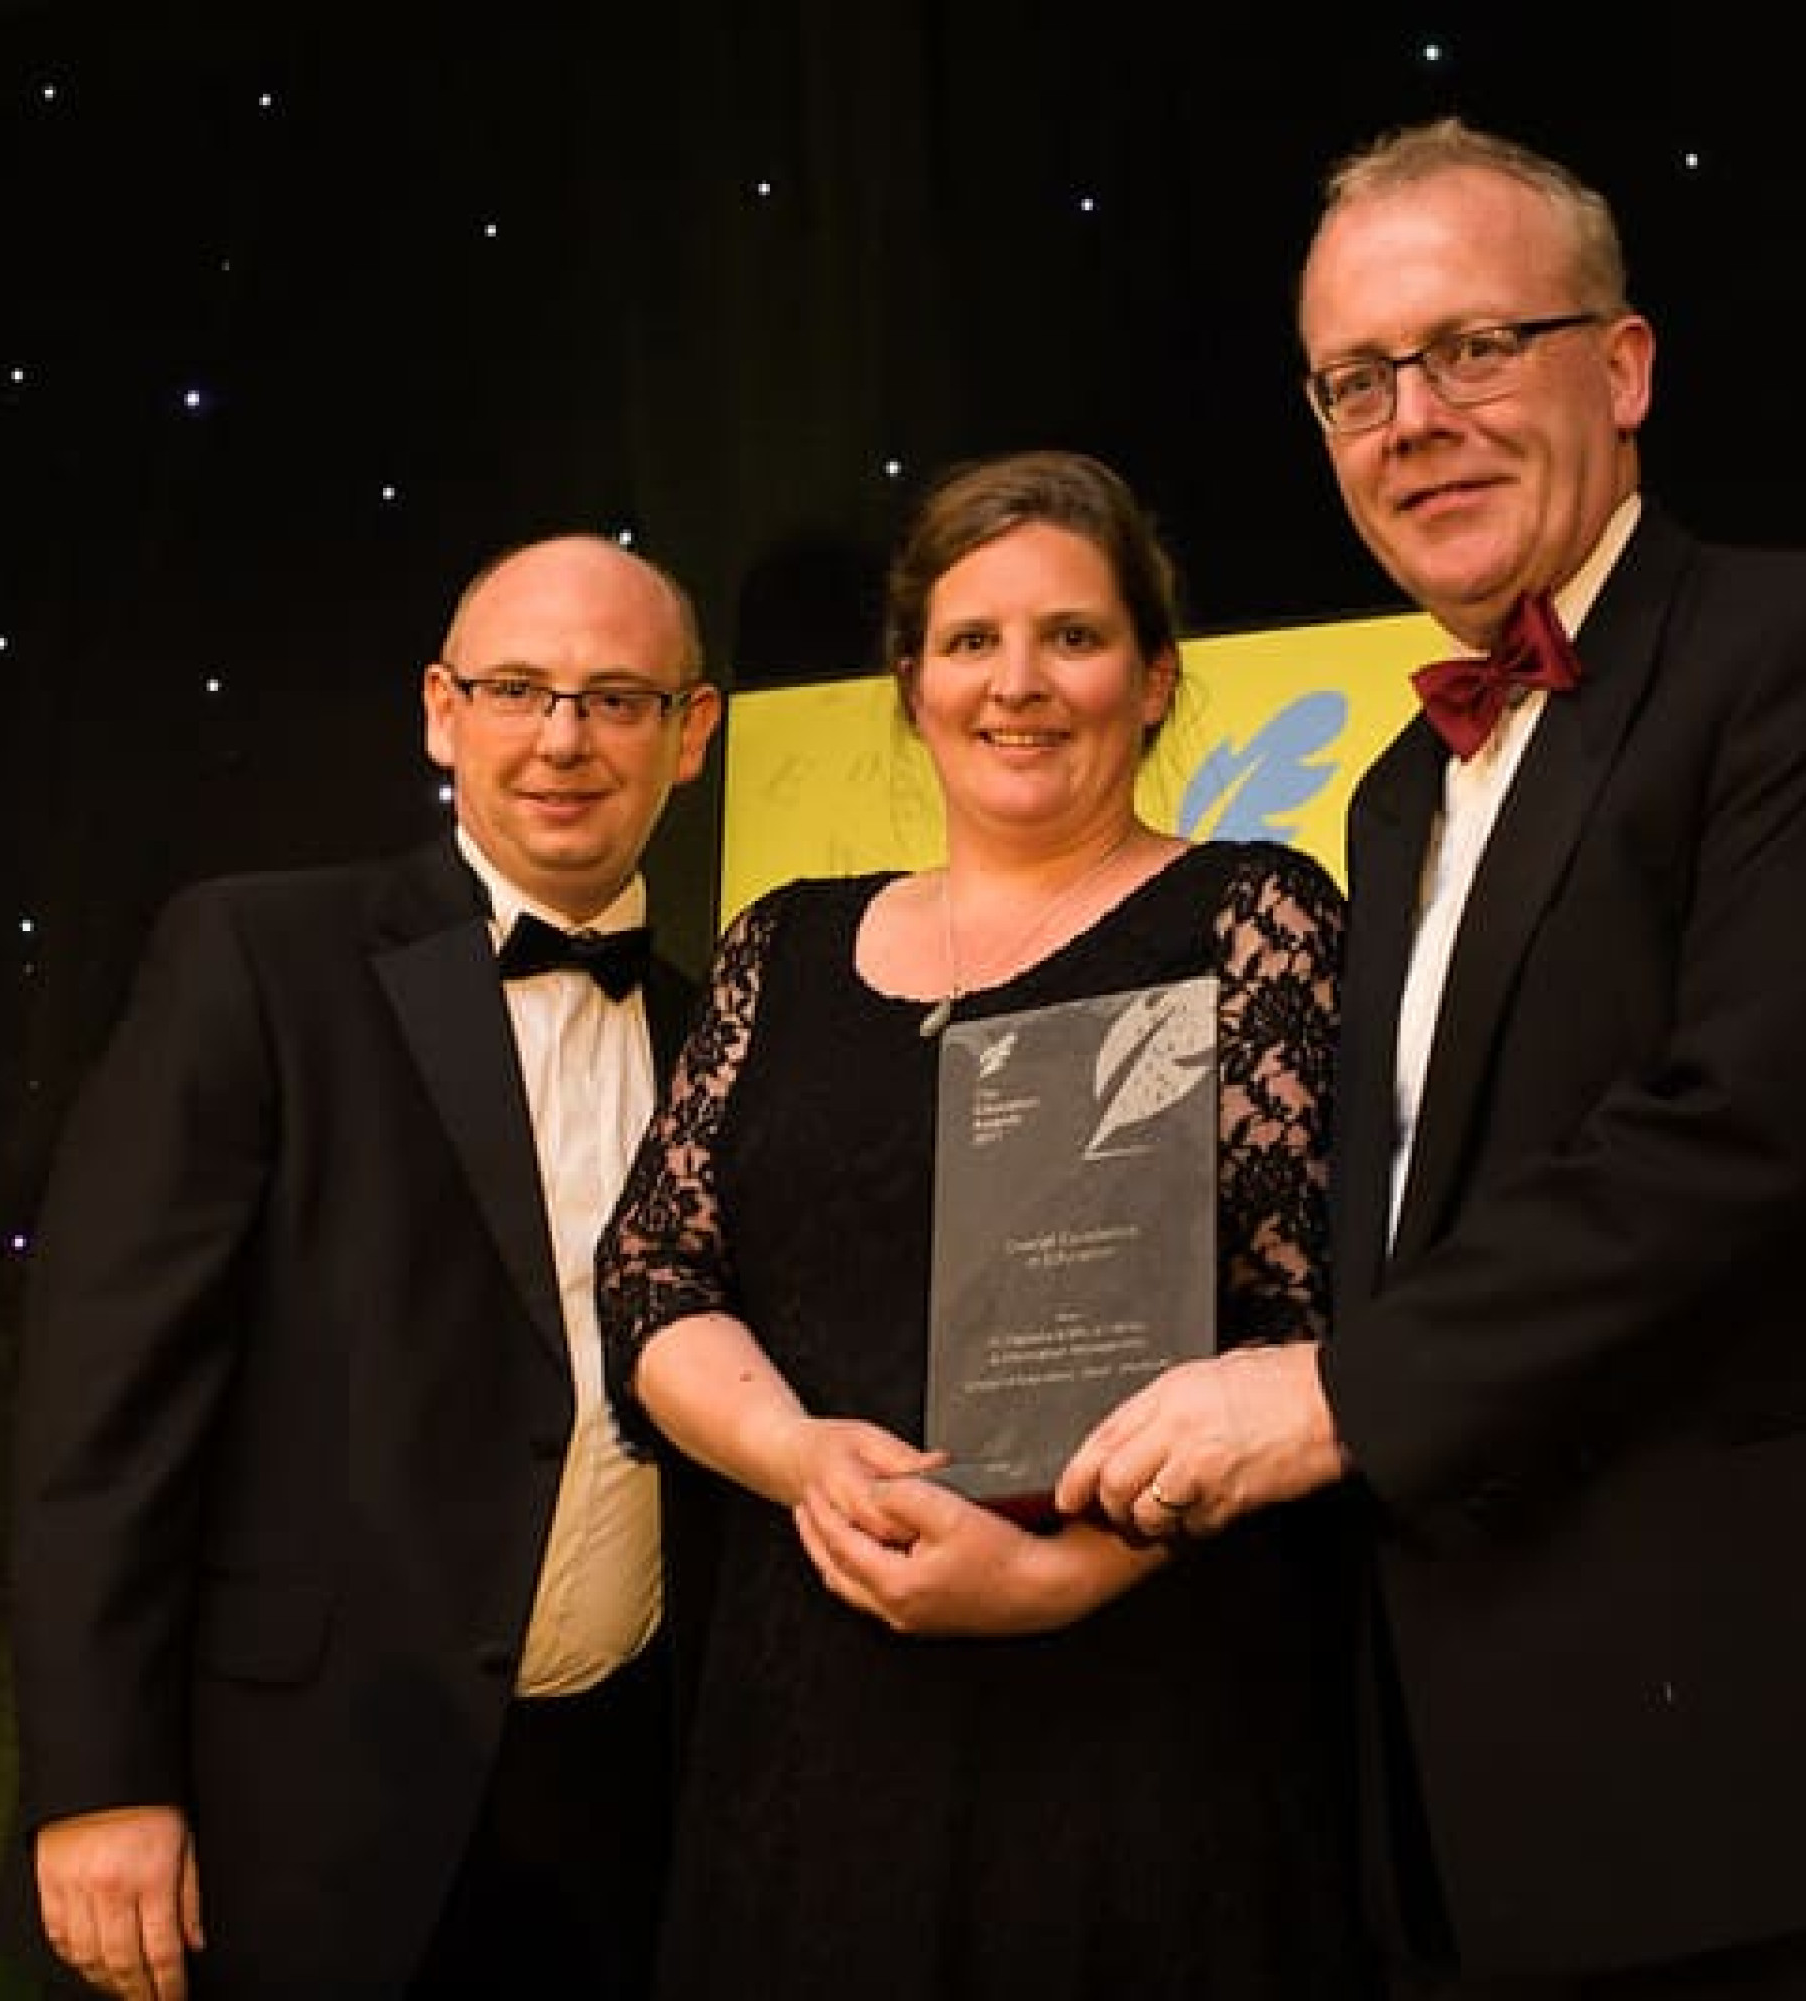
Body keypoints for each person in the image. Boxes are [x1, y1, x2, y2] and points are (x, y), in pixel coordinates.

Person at [1057, 116, 1806, 1995]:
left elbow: (1760, 1128)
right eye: (1355, 382)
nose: (1415, 418)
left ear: (1626, 367)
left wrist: (1330, 1392)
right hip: (1510, 1801)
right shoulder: (1397, 796)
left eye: (1476, 347)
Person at [596, 448, 1375, 2000]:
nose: (1018, 682)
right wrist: (799, 1455)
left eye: (1073, 636)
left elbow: (1307, 1326)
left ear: (1155, 679)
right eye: (970, 639)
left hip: (1140, 1729)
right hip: (809, 1734)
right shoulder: (780, 944)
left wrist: (1057, 1577)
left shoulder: (1254, 916)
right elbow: (653, 1271)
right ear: (911, 682)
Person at [0, 533, 723, 1999]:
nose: (563, 739)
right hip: (293, 1802)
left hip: (615, 1804)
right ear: (442, 711)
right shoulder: (258, 954)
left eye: (615, 698)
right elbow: (102, 1397)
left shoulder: (716, 1028)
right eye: (517, 689)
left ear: (691, 732)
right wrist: (100, 1779)